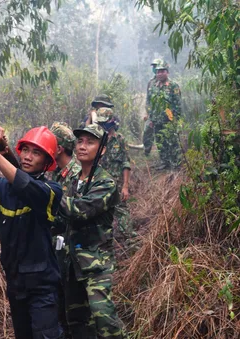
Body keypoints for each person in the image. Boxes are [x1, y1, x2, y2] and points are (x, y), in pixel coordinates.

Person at [0, 125, 64, 338]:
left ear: (47, 162)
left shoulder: (51, 191)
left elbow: (25, 186)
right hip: (16, 283)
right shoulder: (3, 188)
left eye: (36, 153)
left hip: (43, 287)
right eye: (25, 150)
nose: (28, 157)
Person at [55, 124, 124, 339]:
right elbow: (60, 219)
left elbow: (79, 210)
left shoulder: (106, 183)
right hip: (71, 263)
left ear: (101, 150)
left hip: (96, 264)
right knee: (76, 320)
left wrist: (45, 194)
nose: (83, 146)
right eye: (80, 141)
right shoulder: (72, 180)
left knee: (104, 319)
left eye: (90, 142)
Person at [49, 122, 82, 338]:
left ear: (59, 148)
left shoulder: (76, 175)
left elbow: (75, 214)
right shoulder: (57, 173)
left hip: (72, 251)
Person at [95, 109, 136, 242]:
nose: (102, 126)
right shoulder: (97, 140)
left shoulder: (120, 140)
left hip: (116, 182)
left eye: (104, 123)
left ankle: (128, 239)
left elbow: (126, 163)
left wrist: (125, 186)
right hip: (100, 182)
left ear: (111, 122)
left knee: (121, 210)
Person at [143, 60, 182, 168]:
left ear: (167, 72)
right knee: (160, 142)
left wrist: (176, 121)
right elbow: (149, 102)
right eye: (158, 71)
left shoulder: (173, 86)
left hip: (169, 121)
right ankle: (164, 162)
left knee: (172, 142)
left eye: (162, 71)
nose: (159, 73)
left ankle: (175, 164)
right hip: (156, 120)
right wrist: (150, 118)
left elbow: (177, 105)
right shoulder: (153, 86)